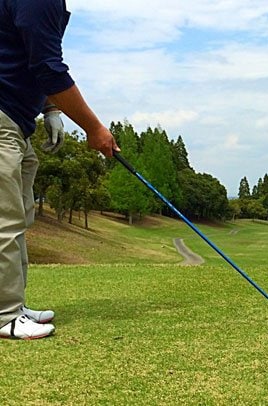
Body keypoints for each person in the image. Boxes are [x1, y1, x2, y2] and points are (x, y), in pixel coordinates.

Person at [0, 0, 119, 339]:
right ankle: (4, 314)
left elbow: (27, 53)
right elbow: (49, 67)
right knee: (4, 220)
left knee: (18, 216)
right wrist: (94, 129)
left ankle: (13, 305)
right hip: (4, 114)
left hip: (17, 119)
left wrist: (51, 108)